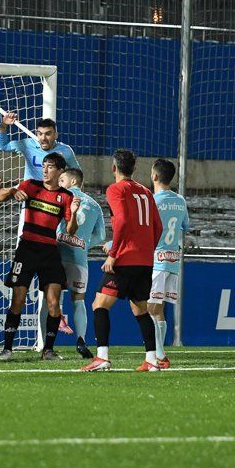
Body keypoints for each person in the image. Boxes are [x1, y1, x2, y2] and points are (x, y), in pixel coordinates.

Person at [0, 111, 81, 350]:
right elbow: (0, 195)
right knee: (18, 299)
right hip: (28, 242)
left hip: (50, 247)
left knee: (54, 303)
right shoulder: (29, 184)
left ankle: (48, 350)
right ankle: (7, 349)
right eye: (40, 134)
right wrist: (13, 191)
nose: (43, 139)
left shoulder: (65, 189)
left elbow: (77, 178)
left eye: (48, 134)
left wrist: (75, 205)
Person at [82, 149, 163, 372]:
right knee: (141, 310)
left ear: (114, 168)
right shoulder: (146, 192)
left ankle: (102, 357)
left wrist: (113, 254)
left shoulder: (115, 189)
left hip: (125, 259)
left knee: (99, 304)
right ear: (135, 168)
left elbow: (123, 221)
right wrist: (147, 250)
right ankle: (152, 360)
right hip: (145, 260)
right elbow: (159, 226)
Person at [55, 167, 106, 358]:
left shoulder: (60, 196)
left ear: (72, 182)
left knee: (51, 295)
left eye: (62, 180)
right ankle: (81, 340)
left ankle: (47, 343)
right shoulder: (95, 205)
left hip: (59, 253)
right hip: (79, 260)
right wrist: (83, 245)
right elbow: (101, 235)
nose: (59, 184)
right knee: (78, 301)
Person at [147, 158, 189, 369]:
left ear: (154, 176)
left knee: (149, 308)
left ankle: (159, 356)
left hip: (156, 259)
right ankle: (160, 354)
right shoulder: (180, 200)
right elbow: (185, 226)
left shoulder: (152, 201)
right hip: (173, 261)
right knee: (158, 309)